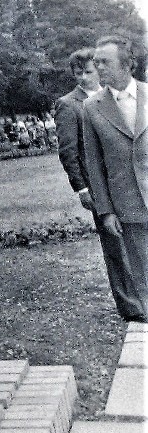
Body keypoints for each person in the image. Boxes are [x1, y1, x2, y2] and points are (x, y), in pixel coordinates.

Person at [54, 47, 142, 321]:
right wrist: (81, 188)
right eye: (76, 73)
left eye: (88, 71)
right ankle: (130, 305)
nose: (82, 78)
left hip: (130, 182)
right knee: (116, 246)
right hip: (97, 185)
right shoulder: (70, 104)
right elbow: (69, 150)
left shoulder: (117, 97)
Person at [82, 35, 148, 321]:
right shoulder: (92, 107)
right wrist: (106, 210)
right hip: (128, 206)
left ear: (126, 65)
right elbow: (94, 165)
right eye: (96, 63)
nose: (98, 68)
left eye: (104, 62)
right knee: (144, 274)